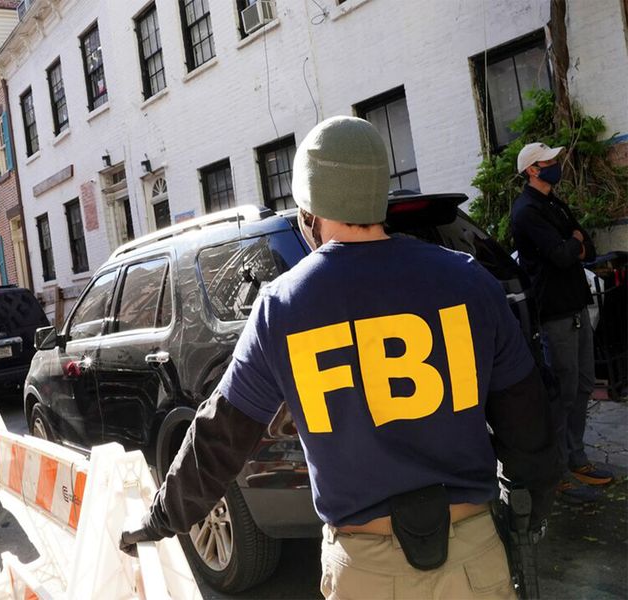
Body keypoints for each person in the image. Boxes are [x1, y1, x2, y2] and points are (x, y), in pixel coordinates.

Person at [121, 117, 560, 598]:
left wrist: (159, 518)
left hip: (363, 572)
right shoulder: (469, 281)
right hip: (472, 558)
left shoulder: (282, 307)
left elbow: (219, 438)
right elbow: (528, 419)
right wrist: (528, 508)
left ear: (309, 210)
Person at [511, 142, 613, 504]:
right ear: (532, 170)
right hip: (555, 312)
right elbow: (562, 254)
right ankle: (557, 474)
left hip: (576, 305)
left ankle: (576, 457)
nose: (557, 164)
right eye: (549, 161)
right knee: (563, 392)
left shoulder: (553, 202)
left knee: (583, 384)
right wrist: (573, 244)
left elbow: (587, 245)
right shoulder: (526, 211)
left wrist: (574, 244)